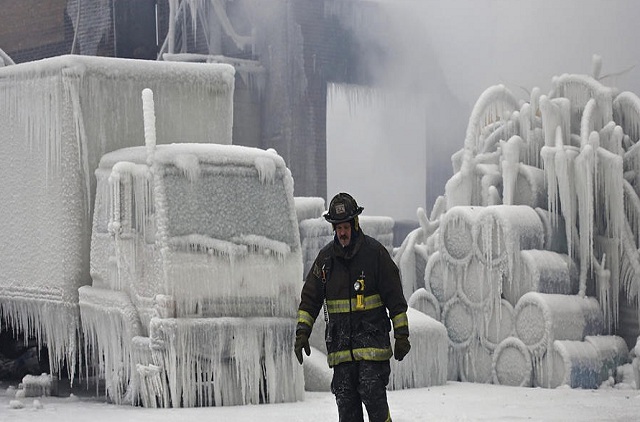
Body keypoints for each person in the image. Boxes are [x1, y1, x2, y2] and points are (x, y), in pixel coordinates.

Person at [295, 192, 410, 422]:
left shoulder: (375, 254)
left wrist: (402, 335)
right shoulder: (325, 260)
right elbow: (310, 299)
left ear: (355, 224)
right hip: (341, 352)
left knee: (373, 396)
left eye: (346, 227)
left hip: (372, 348)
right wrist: (302, 332)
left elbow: (395, 298)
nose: (342, 233)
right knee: (346, 408)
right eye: (338, 228)